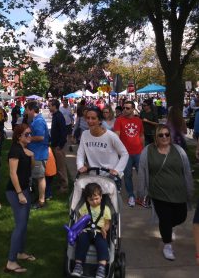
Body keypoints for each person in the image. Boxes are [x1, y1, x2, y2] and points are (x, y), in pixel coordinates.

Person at [138, 124, 193, 261]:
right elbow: (142, 171)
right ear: (156, 137)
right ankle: (167, 245)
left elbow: (186, 171)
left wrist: (189, 189)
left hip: (178, 192)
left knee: (181, 216)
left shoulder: (179, 150)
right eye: (161, 135)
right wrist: (142, 190)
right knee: (165, 218)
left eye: (167, 134)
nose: (164, 137)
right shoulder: (148, 151)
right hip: (158, 192)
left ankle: (167, 228)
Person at [5, 124, 35, 274]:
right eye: (27, 134)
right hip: (15, 192)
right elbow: (12, 174)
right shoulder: (15, 151)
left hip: (24, 190)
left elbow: (31, 169)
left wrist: (32, 156)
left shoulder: (24, 150)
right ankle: (11, 262)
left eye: (30, 134)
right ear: (19, 137)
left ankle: (20, 253)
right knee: (20, 226)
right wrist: (19, 194)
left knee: (24, 224)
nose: (30, 136)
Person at [72, 183, 111, 278]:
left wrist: (104, 229)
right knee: (81, 241)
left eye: (96, 198)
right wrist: (79, 229)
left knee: (102, 244)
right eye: (91, 199)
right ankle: (78, 265)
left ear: (101, 197)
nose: (94, 201)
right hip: (87, 230)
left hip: (99, 232)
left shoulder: (105, 209)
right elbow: (81, 220)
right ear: (87, 199)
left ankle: (101, 266)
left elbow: (107, 223)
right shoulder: (85, 207)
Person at [77, 107, 128, 176]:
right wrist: (80, 166)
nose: (90, 121)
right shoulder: (85, 134)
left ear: (100, 120)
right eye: (88, 118)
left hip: (110, 176)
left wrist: (117, 170)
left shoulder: (111, 136)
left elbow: (124, 153)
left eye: (93, 118)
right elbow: (80, 153)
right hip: (94, 174)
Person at [114, 101, 144, 207]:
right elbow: (116, 137)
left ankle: (142, 196)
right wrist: (118, 151)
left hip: (138, 152)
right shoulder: (119, 120)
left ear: (133, 109)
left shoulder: (138, 121)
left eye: (127, 108)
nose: (125, 110)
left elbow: (141, 135)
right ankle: (131, 195)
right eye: (124, 108)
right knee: (127, 175)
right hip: (125, 154)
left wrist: (143, 148)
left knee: (142, 174)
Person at [25, 101, 49, 209]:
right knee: (36, 177)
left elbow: (41, 137)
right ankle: (38, 198)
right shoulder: (36, 120)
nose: (25, 112)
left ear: (31, 110)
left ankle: (41, 201)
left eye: (26, 109)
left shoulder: (38, 121)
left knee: (40, 177)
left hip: (39, 154)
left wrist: (28, 138)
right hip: (36, 153)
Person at [48, 99, 68, 194]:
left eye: (50, 105)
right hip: (55, 144)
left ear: (54, 106)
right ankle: (61, 183)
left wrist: (60, 145)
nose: (48, 107)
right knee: (58, 166)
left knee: (61, 167)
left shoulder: (59, 116)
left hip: (58, 146)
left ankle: (64, 186)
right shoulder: (55, 116)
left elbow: (64, 132)